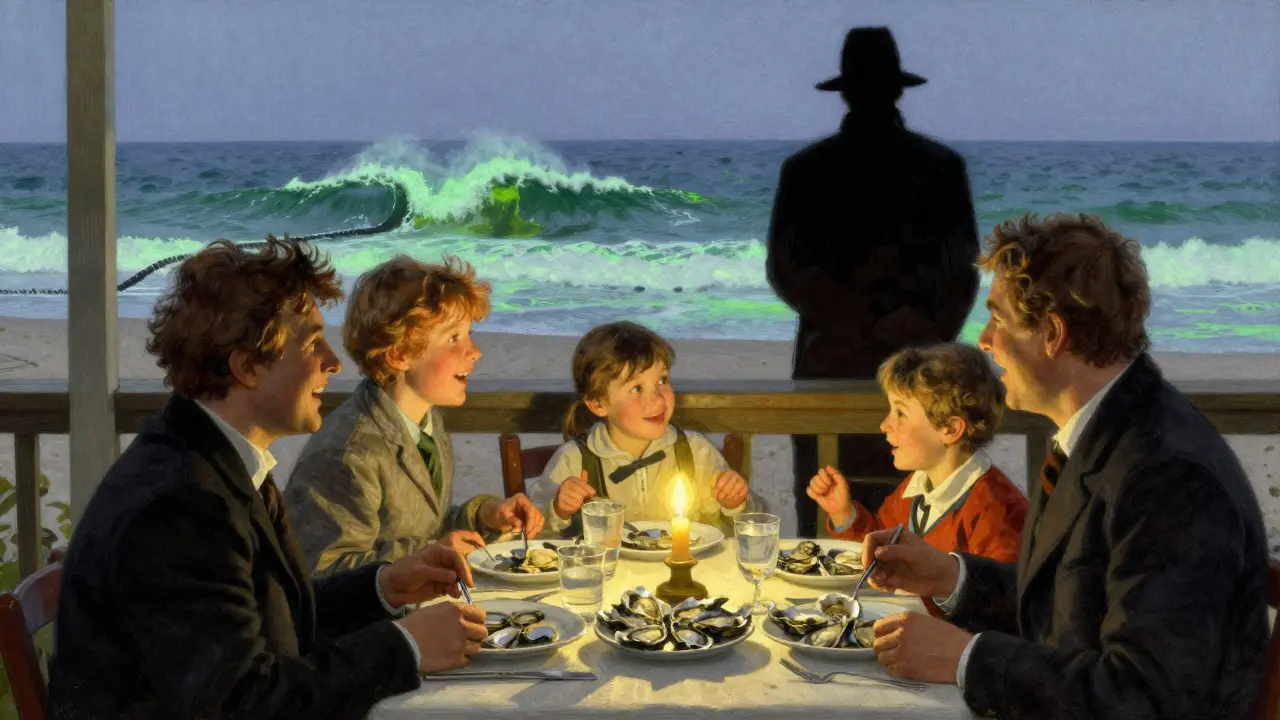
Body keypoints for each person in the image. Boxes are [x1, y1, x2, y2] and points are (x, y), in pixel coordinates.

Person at [48, 237, 489, 720]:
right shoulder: (181, 506)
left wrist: (383, 587)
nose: (333, 361)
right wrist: (405, 646)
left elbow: (275, 621)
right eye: (311, 342)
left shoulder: (216, 458)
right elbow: (244, 702)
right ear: (247, 367)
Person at [859, 213, 1269, 719]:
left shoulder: (1168, 477)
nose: (984, 340)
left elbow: (1143, 697)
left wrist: (965, 658)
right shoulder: (1101, 433)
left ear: (1052, 334)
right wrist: (950, 578)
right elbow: (1066, 607)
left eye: (1000, 319)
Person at [766, 25, 981, 537]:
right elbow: (960, 276)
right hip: (908, 370)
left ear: (846, 90)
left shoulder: (807, 169)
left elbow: (788, 271)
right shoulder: (941, 168)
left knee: (836, 513)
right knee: (902, 513)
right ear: (898, 87)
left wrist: (858, 324)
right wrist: (909, 331)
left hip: (837, 364)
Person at [285, 255, 544, 575]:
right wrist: (432, 552)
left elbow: (423, 527)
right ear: (399, 355)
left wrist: (485, 515)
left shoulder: (425, 422)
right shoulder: (347, 454)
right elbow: (325, 572)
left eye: (468, 333)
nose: (475, 350)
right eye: (453, 338)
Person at [527, 321, 763, 537]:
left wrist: (736, 504)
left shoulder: (695, 451)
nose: (658, 399)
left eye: (662, 380)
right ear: (598, 403)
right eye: (637, 388)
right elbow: (534, 535)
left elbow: (750, 528)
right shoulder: (574, 459)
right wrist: (559, 509)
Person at [807, 343, 1026, 564]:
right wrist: (844, 513)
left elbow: (1001, 591)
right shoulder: (916, 487)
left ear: (950, 429)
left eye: (900, 413)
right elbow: (881, 547)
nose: (884, 425)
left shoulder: (995, 509)